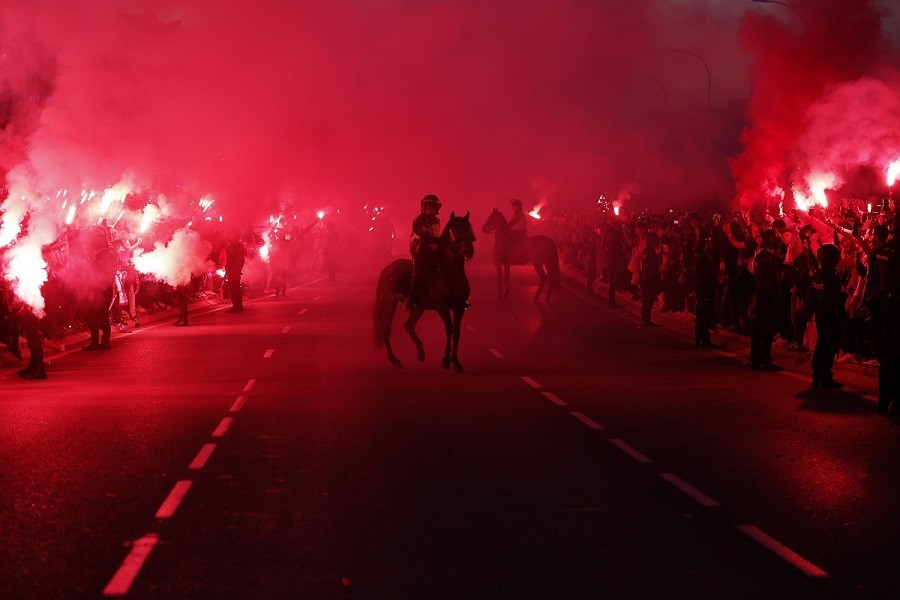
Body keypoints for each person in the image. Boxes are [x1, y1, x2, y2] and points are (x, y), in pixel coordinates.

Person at [864, 218, 900, 415]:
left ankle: (883, 399)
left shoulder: (879, 252)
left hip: (883, 307)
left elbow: (871, 284)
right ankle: (896, 401)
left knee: (888, 352)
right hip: (895, 307)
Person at [810, 244, 845, 388]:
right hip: (831, 316)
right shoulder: (832, 277)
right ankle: (825, 376)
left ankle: (816, 375)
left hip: (820, 314)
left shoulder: (816, 275)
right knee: (829, 346)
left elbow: (813, 297)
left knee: (821, 343)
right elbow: (836, 299)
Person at [749, 229, 783, 371]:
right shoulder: (769, 259)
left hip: (760, 295)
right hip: (767, 297)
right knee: (766, 331)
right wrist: (775, 299)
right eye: (775, 237)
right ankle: (766, 361)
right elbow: (770, 283)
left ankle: (755, 360)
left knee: (757, 330)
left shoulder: (759, 256)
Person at [405, 194, 442, 312]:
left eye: (434, 206)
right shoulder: (419, 220)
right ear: (424, 207)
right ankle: (411, 300)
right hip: (419, 247)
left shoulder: (436, 220)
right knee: (419, 271)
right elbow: (424, 238)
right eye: (429, 206)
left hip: (433, 247)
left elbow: (436, 236)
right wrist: (440, 241)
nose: (432, 209)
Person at [82, 227, 117, 351]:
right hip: (107, 289)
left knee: (92, 316)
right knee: (103, 316)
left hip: (99, 290)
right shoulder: (111, 255)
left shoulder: (101, 258)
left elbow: (96, 276)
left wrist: (92, 291)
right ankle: (105, 342)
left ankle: (96, 342)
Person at [694, 231, 719, 347]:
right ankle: (704, 340)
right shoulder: (704, 255)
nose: (710, 242)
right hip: (705, 287)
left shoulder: (700, 254)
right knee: (704, 314)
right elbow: (708, 273)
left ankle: (699, 339)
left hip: (702, 287)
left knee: (701, 314)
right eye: (708, 240)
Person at [639, 231, 662, 326]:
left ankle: (644, 319)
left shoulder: (645, 251)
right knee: (649, 299)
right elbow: (653, 268)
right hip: (650, 279)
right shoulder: (651, 253)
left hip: (644, 278)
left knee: (646, 300)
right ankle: (646, 320)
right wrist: (656, 280)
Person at [224, 236, 246, 313]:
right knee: (235, 287)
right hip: (233, 270)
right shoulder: (238, 246)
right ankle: (238, 305)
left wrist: (234, 270)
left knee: (234, 288)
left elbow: (237, 260)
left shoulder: (234, 247)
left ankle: (237, 305)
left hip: (233, 271)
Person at [507, 198, 529, 264]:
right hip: (518, 232)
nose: (512, 207)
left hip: (518, 233)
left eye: (514, 206)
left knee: (508, 242)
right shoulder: (518, 213)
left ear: (517, 206)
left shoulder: (518, 213)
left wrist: (505, 226)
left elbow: (514, 222)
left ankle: (511, 258)